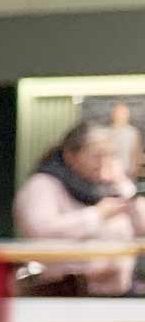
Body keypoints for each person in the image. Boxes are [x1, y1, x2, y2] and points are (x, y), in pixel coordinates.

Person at [13, 123, 143, 296]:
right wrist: (97, 215)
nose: (105, 163)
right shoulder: (43, 185)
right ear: (71, 156)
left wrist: (124, 186)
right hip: (66, 292)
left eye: (111, 156)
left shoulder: (112, 187)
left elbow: (142, 228)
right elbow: (41, 231)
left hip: (119, 291)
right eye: (97, 156)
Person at [109, 103, 143, 184]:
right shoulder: (106, 132)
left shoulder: (133, 132)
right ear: (113, 115)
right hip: (111, 172)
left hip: (128, 171)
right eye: (118, 113)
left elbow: (136, 152)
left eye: (123, 113)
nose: (121, 116)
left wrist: (134, 170)